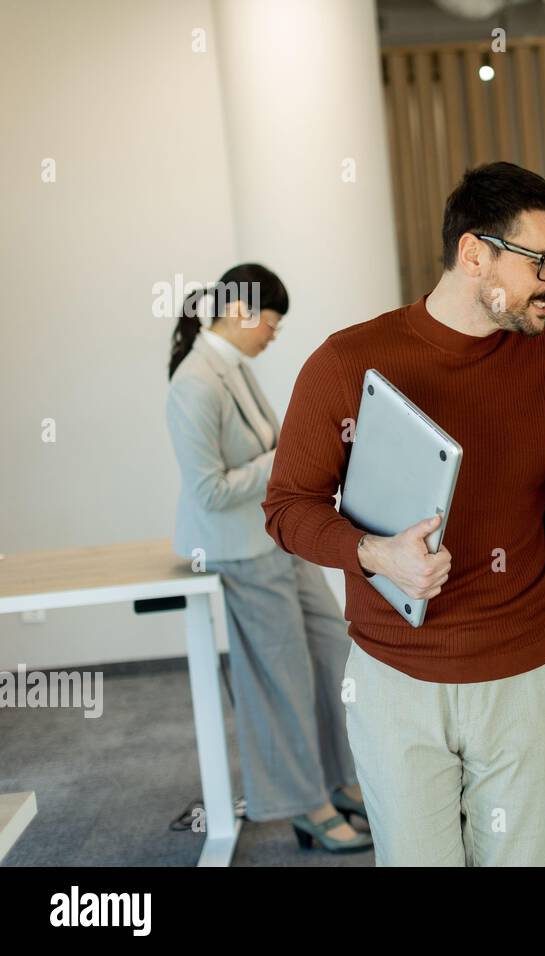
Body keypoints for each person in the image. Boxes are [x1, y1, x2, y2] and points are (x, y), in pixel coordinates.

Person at [262, 162, 545, 866]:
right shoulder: (348, 362)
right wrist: (375, 554)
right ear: (474, 254)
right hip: (396, 681)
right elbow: (287, 509)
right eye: (543, 263)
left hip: (522, 681)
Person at [165, 263, 370, 853]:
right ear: (239, 311)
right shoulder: (196, 382)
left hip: (278, 536)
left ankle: (337, 779)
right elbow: (209, 489)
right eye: (272, 323)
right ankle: (307, 805)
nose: (274, 335)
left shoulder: (234, 368)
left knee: (332, 650)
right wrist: (280, 463)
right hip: (239, 552)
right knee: (282, 679)